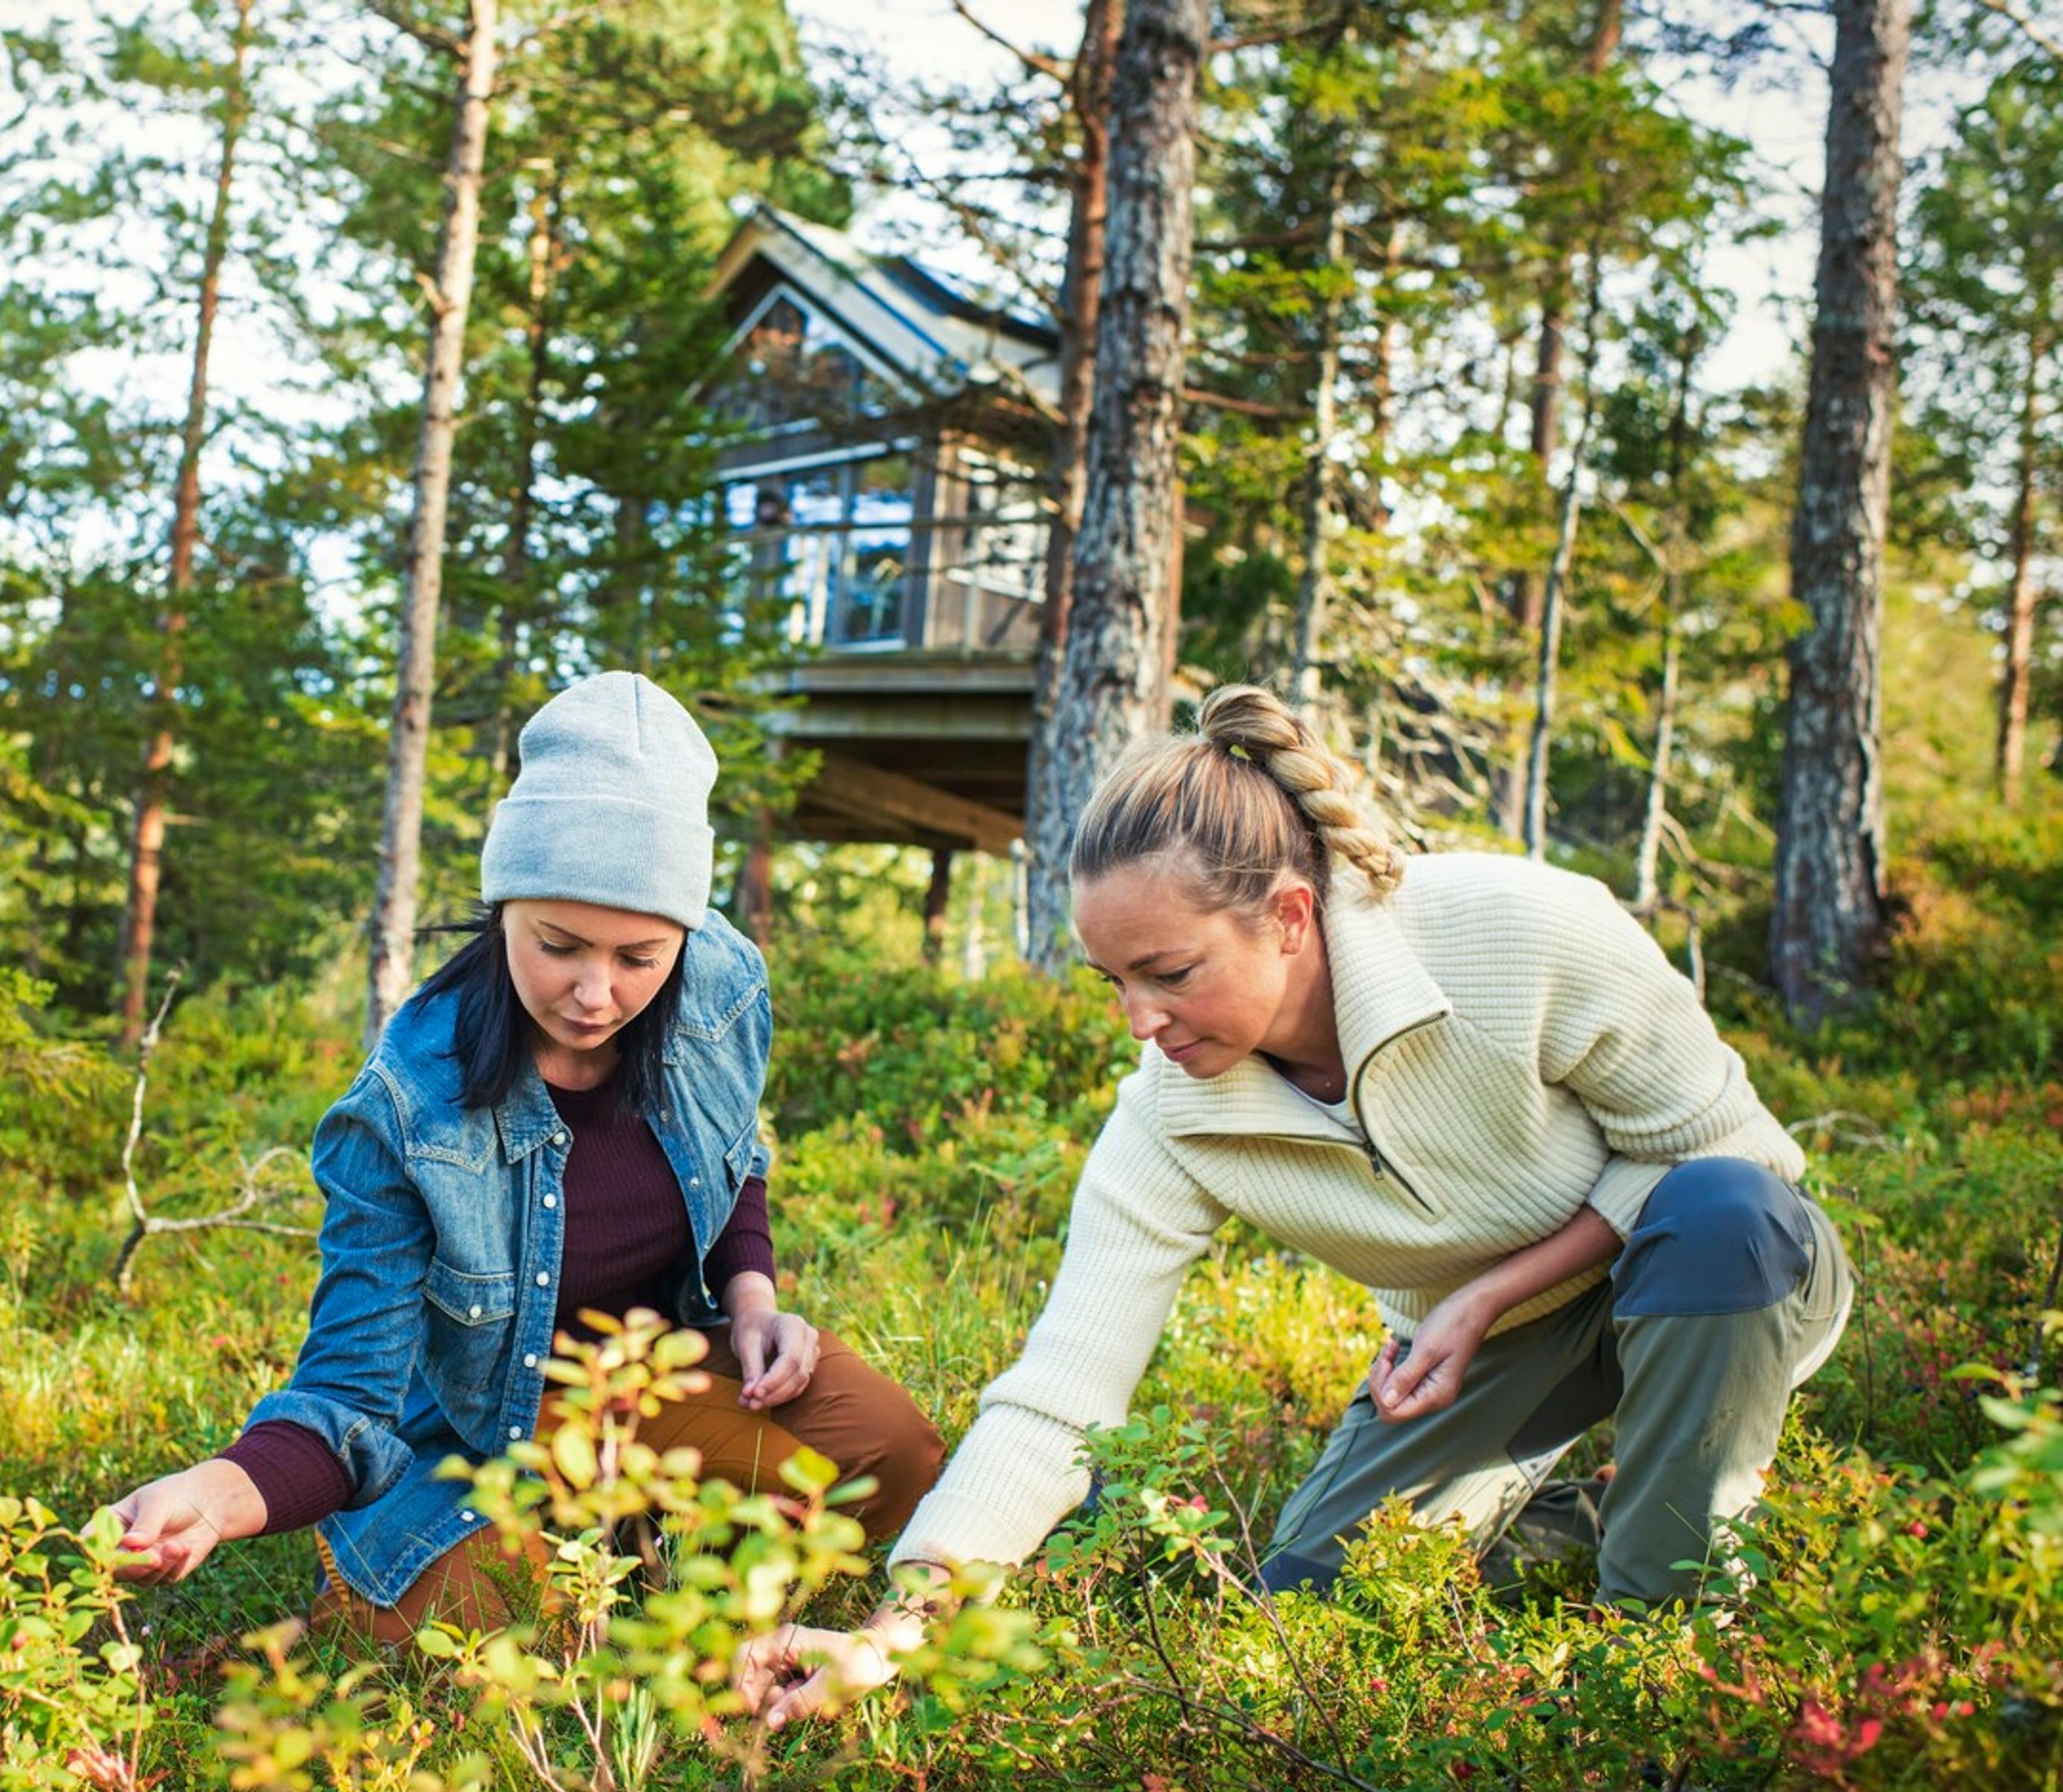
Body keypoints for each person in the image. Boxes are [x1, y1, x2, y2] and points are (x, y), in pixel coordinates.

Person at [736, 684, 1854, 1723]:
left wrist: (1479, 1299)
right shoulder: (1173, 1119)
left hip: (1721, 1282)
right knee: (1314, 1610)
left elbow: (1730, 1154)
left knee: (1720, 1212)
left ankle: (1660, 1670)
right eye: (1112, 982)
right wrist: (898, 1631)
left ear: (1288, 914)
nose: (1140, 1020)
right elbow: (1059, 1395)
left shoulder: (1521, 928)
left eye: (1169, 973)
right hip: (1498, 1354)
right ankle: (1592, 1512)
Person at [101, 672, 944, 1646]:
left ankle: (630, 1528)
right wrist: (220, 1492)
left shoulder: (720, 988)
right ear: (505, 907)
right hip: (472, 1430)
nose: (596, 991)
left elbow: (736, 1157)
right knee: (524, 1644)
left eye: (639, 955)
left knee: (897, 1458)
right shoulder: (408, 1107)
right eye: (560, 944)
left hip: (648, 1379)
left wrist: (752, 1299)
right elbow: (349, 1398)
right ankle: (361, 1598)